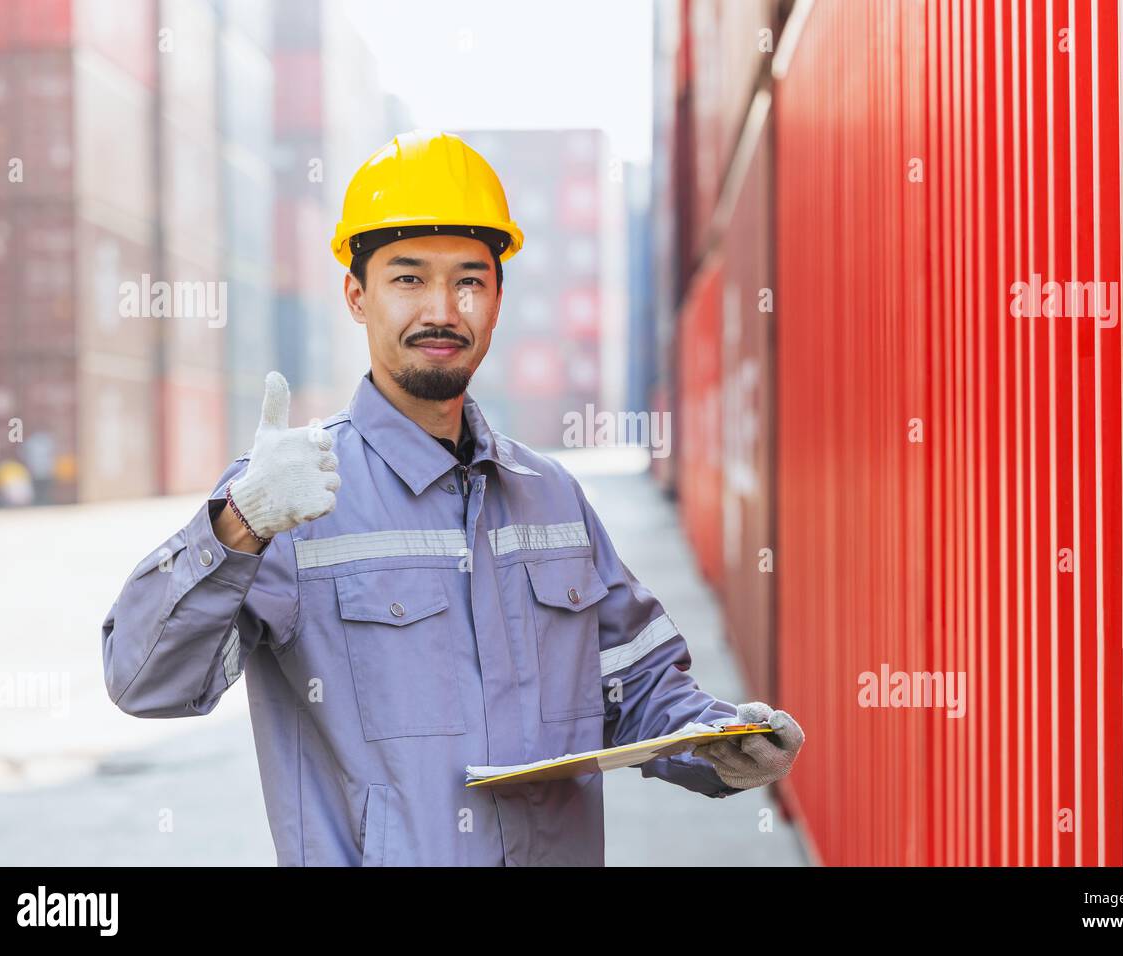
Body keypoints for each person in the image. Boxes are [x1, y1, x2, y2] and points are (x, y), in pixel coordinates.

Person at [100, 129, 804, 866]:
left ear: (497, 300)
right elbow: (143, 681)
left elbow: (641, 684)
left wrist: (719, 743)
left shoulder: (553, 500)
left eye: (469, 279)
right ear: (356, 296)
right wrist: (239, 522)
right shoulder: (289, 501)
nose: (442, 309)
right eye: (408, 278)